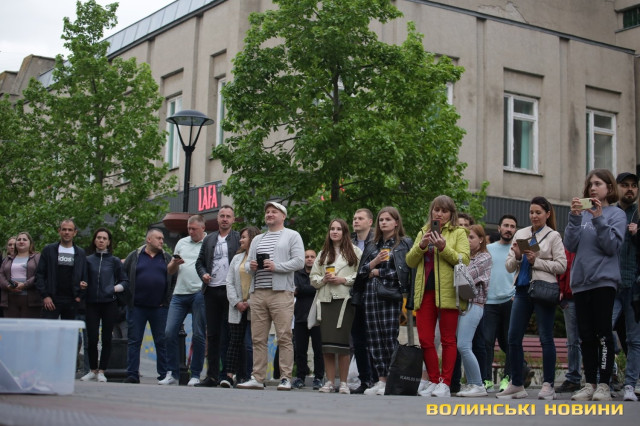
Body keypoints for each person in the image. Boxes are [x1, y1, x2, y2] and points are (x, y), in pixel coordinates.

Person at [564, 168, 626, 401]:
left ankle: (604, 385)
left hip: (603, 281)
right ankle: (589, 383)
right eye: (590, 184)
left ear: (609, 188)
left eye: (598, 184)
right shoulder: (583, 215)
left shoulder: (616, 214)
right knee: (586, 336)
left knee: (603, 333)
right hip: (581, 283)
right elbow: (570, 245)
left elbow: (611, 247)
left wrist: (599, 218)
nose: (592, 188)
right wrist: (574, 217)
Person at [498, 197, 567, 400]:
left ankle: (548, 385)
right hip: (522, 289)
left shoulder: (553, 236)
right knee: (513, 337)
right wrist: (518, 256)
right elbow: (509, 266)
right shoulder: (521, 234)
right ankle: (517, 384)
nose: (534, 216)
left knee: (545, 337)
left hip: (543, 289)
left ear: (547, 214)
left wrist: (537, 261)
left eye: (538, 212)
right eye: (531, 212)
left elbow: (561, 266)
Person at [406, 196, 469, 398]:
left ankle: (445, 383)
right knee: (425, 339)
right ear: (431, 211)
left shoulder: (459, 232)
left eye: (444, 211)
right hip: (425, 292)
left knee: (448, 340)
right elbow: (410, 261)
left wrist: (443, 247)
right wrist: (421, 246)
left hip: (449, 291)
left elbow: (464, 260)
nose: (439, 214)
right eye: (436, 210)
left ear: (451, 214)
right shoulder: (423, 231)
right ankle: (433, 380)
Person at [237, 201, 304, 391]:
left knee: (284, 336)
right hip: (258, 292)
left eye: (274, 211)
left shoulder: (292, 235)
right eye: (267, 212)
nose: (269, 214)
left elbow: (299, 262)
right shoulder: (258, 239)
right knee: (258, 338)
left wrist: (277, 266)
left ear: (283, 216)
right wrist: (252, 266)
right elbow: (248, 264)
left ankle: (285, 378)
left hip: (281, 292)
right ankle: (257, 377)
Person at [354, 206, 413, 396]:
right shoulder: (373, 244)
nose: (384, 222)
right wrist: (374, 263)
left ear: (396, 222)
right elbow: (361, 272)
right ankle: (381, 380)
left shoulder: (404, 243)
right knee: (374, 340)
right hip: (370, 297)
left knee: (389, 338)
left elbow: (403, 274)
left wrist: (379, 271)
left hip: (390, 295)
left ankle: (393, 379)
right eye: (381, 220)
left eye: (388, 219)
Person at [310, 219, 362, 394]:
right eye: (332, 228)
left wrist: (343, 279)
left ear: (344, 232)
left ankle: (344, 383)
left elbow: (361, 275)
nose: (335, 231)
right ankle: (330, 382)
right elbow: (313, 278)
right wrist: (323, 279)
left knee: (343, 344)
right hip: (325, 301)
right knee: (327, 345)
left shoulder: (355, 251)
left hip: (345, 301)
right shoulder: (323, 253)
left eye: (338, 229)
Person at [194, 205, 240, 387]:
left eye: (228, 216)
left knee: (228, 333)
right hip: (211, 290)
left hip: (230, 291)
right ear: (217, 218)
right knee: (212, 334)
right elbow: (199, 262)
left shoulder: (237, 238)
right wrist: (203, 274)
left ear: (233, 219)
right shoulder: (209, 239)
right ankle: (211, 376)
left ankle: (226, 375)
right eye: (222, 216)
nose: (225, 219)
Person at [123, 228, 176, 384]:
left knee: (161, 341)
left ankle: (163, 375)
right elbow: (123, 276)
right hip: (137, 307)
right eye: (158, 238)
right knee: (134, 341)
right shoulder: (134, 256)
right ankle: (132, 374)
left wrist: (167, 300)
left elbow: (174, 280)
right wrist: (127, 298)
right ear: (149, 240)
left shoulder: (167, 258)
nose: (162, 241)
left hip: (159, 308)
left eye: (162, 238)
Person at [161, 215, 208, 386]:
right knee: (169, 332)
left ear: (203, 228)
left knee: (199, 334)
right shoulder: (182, 243)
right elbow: (170, 270)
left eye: (194, 229)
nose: (190, 231)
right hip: (179, 293)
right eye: (189, 228)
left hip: (199, 292)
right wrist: (175, 263)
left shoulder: (209, 243)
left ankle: (195, 374)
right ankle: (172, 373)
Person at [80, 228, 129, 383]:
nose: (101, 240)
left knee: (107, 338)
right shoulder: (87, 260)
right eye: (99, 237)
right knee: (92, 338)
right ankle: (92, 369)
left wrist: (114, 289)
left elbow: (125, 281)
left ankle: (102, 371)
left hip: (109, 303)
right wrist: (82, 285)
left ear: (108, 242)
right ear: (94, 240)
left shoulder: (114, 261)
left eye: (104, 238)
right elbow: (81, 278)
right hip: (91, 303)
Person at [220, 225, 261, 388]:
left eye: (244, 237)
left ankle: (251, 375)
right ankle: (229, 376)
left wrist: (249, 302)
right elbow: (229, 281)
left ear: (253, 238)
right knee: (234, 342)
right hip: (237, 306)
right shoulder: (237, 258)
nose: (240, 240)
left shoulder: (259, 259)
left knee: (250, 343)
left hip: (254, 306)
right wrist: (236, 302)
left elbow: (261, 281)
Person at [613, 172, 640, 401]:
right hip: (611, 284)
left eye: (633, 185)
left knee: (634, 339)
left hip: (635, 287)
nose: (630, 189)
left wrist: (637, 234)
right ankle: (604, 380)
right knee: (602, 333)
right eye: (625, 185)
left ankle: (630, 385)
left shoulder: (639, 215)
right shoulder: (610, 213)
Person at [483, 215, 517, 392]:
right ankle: (486, 380)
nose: (508, 229)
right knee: (487, 342)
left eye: (512, 226)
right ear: (499, 228)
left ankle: (507, 379)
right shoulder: (488, 249)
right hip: (489, 302)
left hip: (510, 301)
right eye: (506, 225)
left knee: (510, 342)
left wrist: (516, 294)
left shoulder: (518, 250)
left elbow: (525, 273)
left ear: (515, 230)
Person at [456, 225, 491, 397]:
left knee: (463, 345)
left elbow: (466, 274)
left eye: (471, 237)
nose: (468, 241)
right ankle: (472, 383)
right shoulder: (466, 256)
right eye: (466, 238)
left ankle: (478, 384)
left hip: (475, 304)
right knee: (464, 345)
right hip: (464, 304)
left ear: (481, 239)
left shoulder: (484, 257)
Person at [35, 219, 88, 320]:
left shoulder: (80, 253)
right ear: (59, 231)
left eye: (70, 230)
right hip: (51, 300)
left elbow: (85, 276)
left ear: (75, 232)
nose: (67, 232)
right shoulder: (48, 250)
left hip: (72, 301)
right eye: (64, 229)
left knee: (69, 330)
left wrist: (79, 297)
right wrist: (45, 296)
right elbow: (39, 275)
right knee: (48, 329)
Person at [350, 207, 378, 393]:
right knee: (358, 340)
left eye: (360, 218)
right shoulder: (348, 242)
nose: (356, 221)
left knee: (374, 339)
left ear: (370, 222)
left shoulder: (377, 242)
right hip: (354, 295)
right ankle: (365, 380)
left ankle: (378, 378)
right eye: (354, 218)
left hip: (372, 294)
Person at [292, 249, 324, 390]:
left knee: (319, 350)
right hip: (300, 316)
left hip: (318, 316)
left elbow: (320, 289)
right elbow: (295, 290)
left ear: (316, 258)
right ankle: (300, 377)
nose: (309, 259)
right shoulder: (296, 274)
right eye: (306, 257)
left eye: (312, 256)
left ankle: (318, 378)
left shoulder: (320, 273)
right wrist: (314, 287)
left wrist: (302, 289)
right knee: (300, 350)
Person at [557, 249, 582, 393]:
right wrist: (560, 294)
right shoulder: (565, 250)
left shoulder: (586, 247)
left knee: (595, 338)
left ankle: (602, 377)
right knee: (572, 341)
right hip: (569, 298)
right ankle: (573, 378)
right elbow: (559, 273)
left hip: (586, 296)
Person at [0, 232, 41, 318]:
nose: (21, 241)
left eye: (24, 240)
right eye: (19, 240)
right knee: (11, 325)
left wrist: (25, 285)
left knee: (28, 325)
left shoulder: (37, 257)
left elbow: (40, 274)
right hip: (10, 299)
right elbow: (1, 274)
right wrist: (8, 286)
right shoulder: (8, 259)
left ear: (30, 243)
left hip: (31, 300)